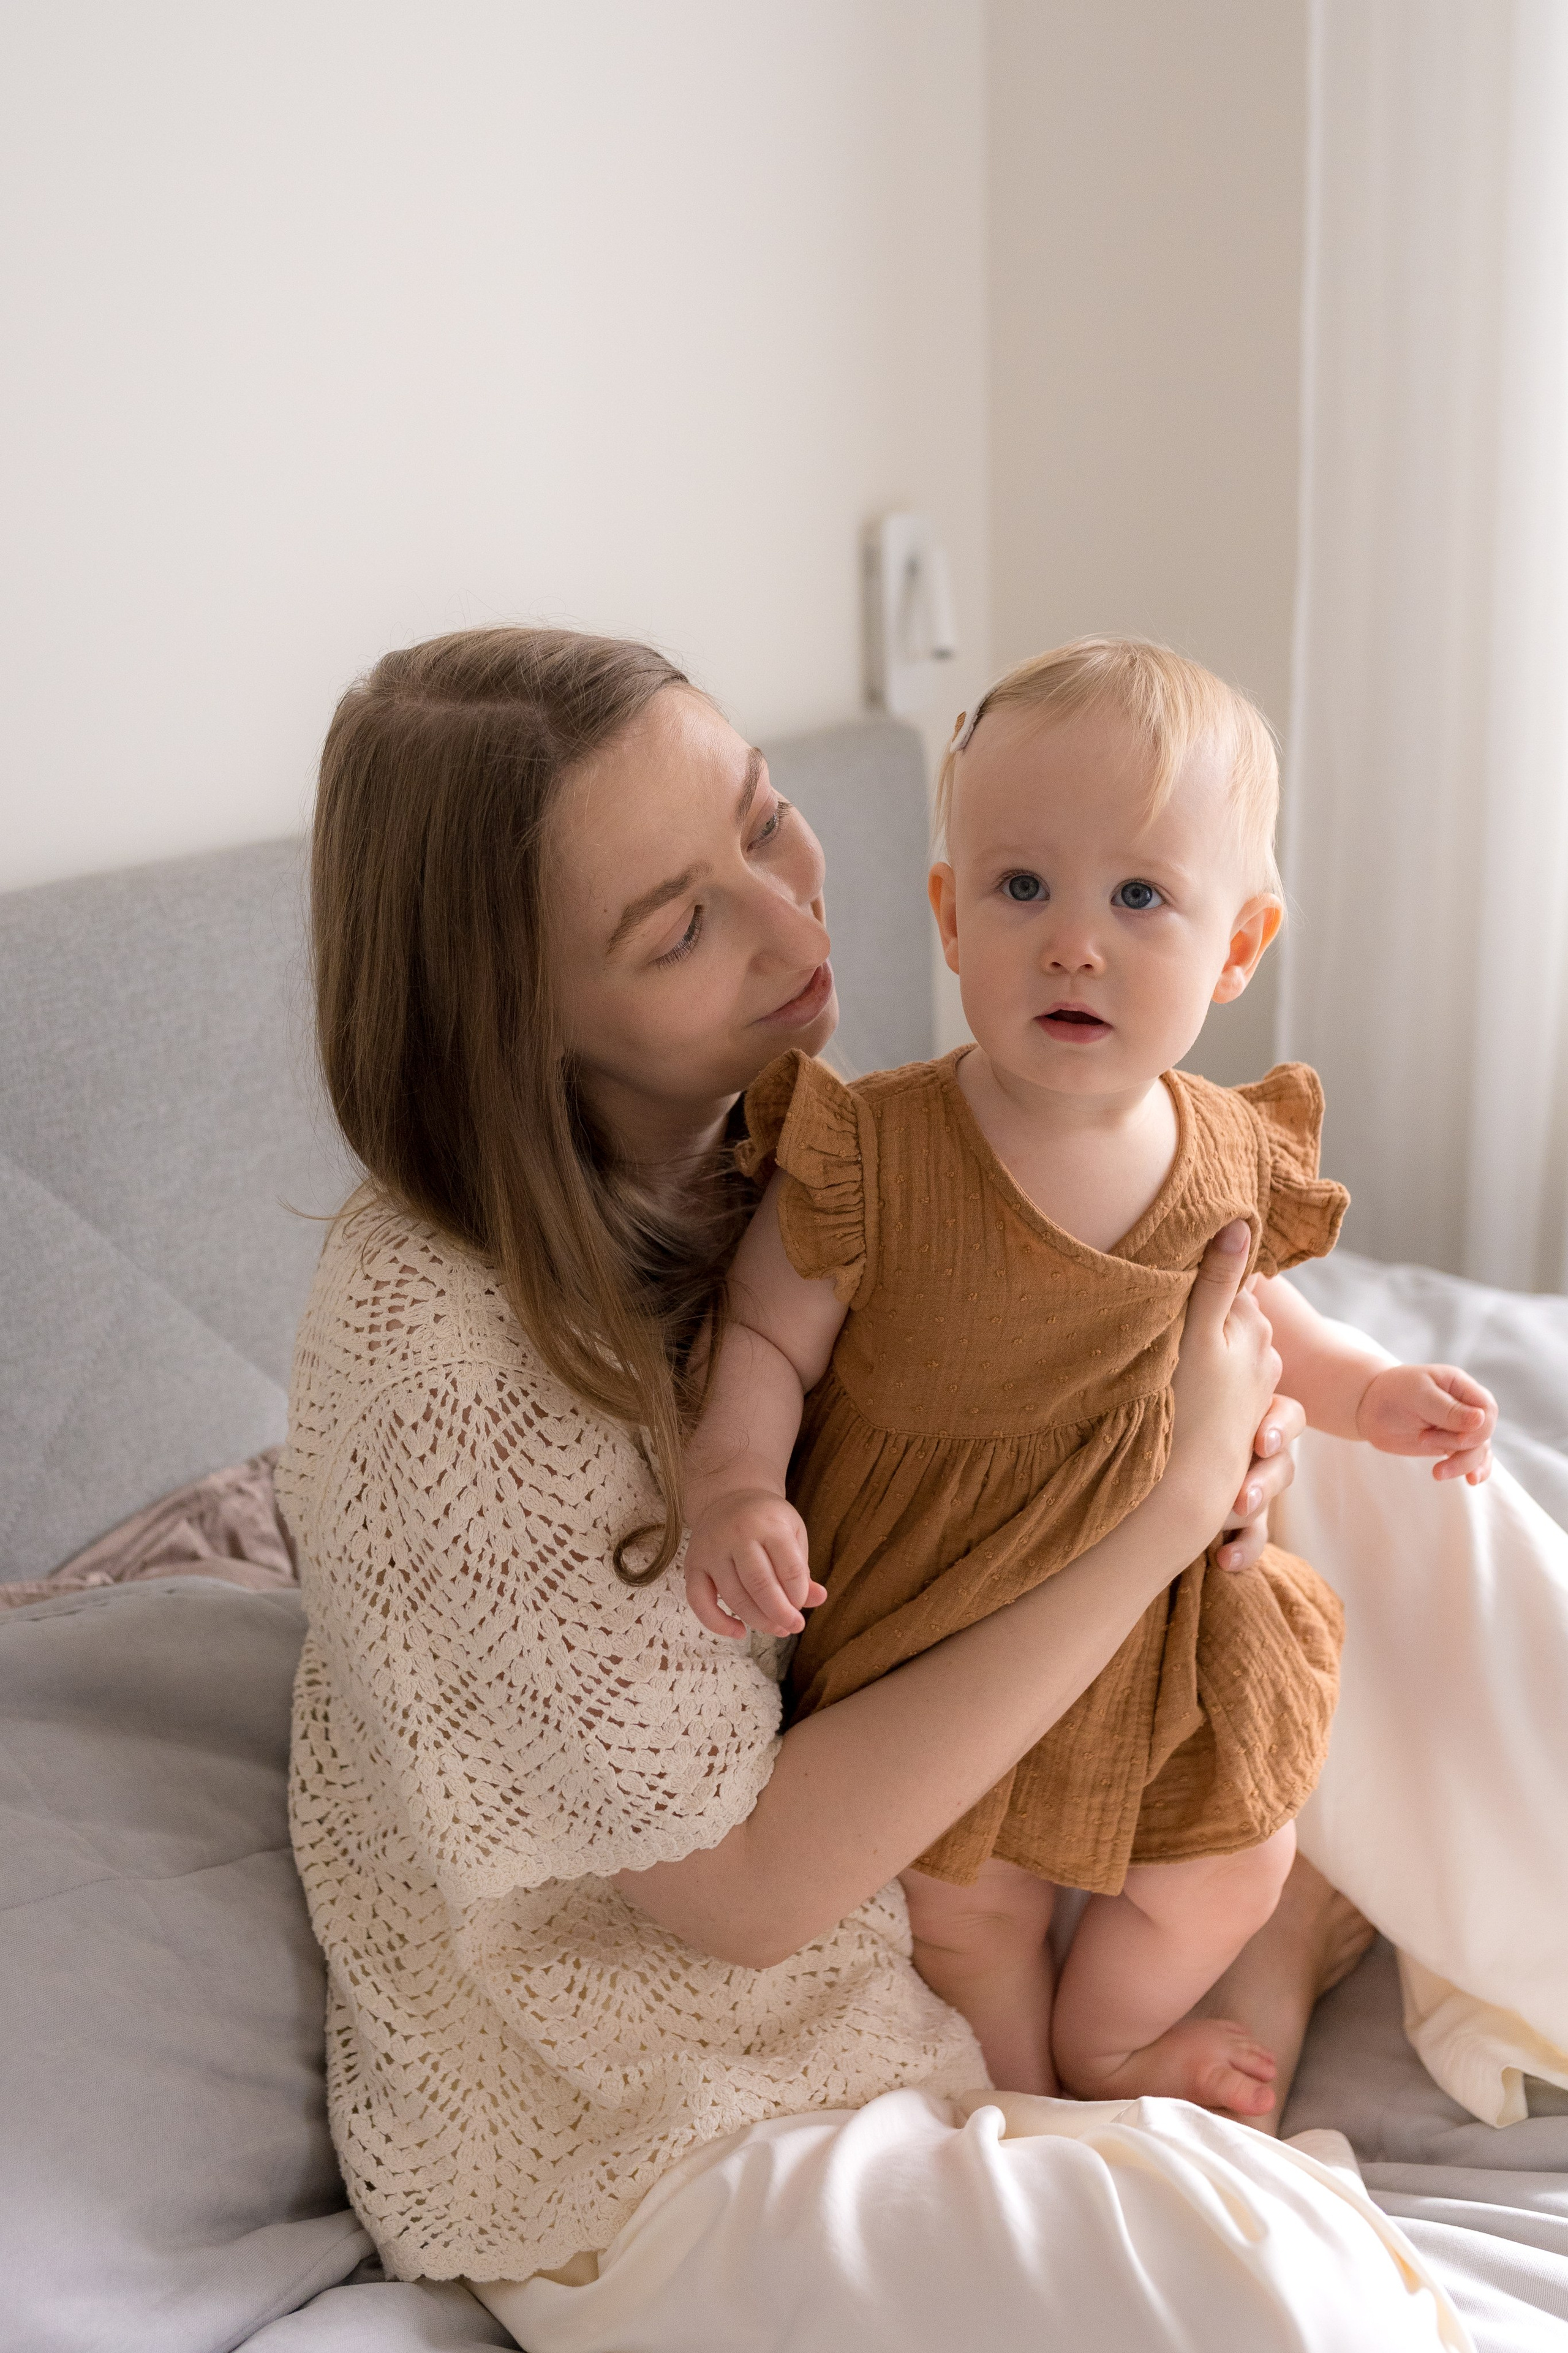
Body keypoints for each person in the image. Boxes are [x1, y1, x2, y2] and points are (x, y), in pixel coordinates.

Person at [277, 625, 1463, 2353]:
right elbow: (750, 1894)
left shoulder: (761, 1120)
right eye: (681, 925)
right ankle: (1246, 1971)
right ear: (510, 1020)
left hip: (926, 1814)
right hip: (667, 2112)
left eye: (765, 824)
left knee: (1444, 1498)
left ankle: (1312, 1934)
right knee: (1270, 2300)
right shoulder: (434, 1353)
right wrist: (1168, 1500)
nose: (793, 924)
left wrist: (1247, 1440)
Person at [680, 638, 1498, 2114]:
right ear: (945, 914)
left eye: (1138, 898)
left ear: (1236, 946)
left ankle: (1110, 2039)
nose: (1074, 943)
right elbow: (761, 1339)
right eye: (1019, 889)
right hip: (942, 1611)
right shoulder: (877, 1152)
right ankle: (1022, 2101)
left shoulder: (1223, 1154)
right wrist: (736, 1478)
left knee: (1235, 1858)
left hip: (1161, 1616)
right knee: (964, 1904)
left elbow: (1271, 1334)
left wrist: (1375, 1395)